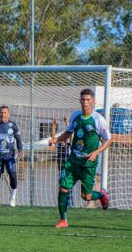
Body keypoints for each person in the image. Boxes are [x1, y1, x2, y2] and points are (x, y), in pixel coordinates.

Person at [48, 88, 112, 228]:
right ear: (80, 101)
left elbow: (109, 140)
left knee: (86, 197)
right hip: (73, 160)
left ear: (93, 101)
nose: (85, 102)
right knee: (63, 187)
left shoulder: (98, 119)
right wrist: (56, 139)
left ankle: (101, 195)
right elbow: (69, 132)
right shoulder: (75, 115)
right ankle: (63, 220)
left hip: (88, 163)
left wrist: (96, 152)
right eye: (83, 99)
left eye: (88, 100)